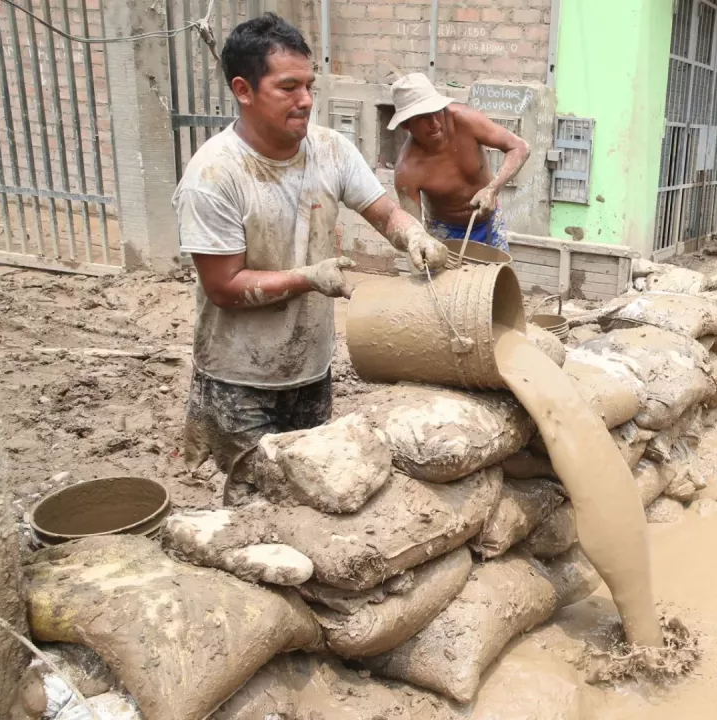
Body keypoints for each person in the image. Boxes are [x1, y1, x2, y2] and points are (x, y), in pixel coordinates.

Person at [174, 14, 449, 502]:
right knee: (254, 503)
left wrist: (412, 235)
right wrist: (307, 277)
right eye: (288, 88)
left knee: (306, 499)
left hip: (310, 367)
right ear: (243, 89)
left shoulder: (329, 149)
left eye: (309, 86)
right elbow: (223, 286)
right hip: (239, 379)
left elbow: (382, 210)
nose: (305, 100)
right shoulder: (214, 176)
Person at [392, 73, 531, 252]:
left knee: (499, 277)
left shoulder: (466, 120)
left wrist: (491, 189)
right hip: (444, 232)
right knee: (445, 279)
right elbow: (414, 236)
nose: (434, 123)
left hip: (488, 223)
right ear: (405, 125)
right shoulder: (407, 171)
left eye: (436, 111)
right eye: (422, 118)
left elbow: (520, 147)